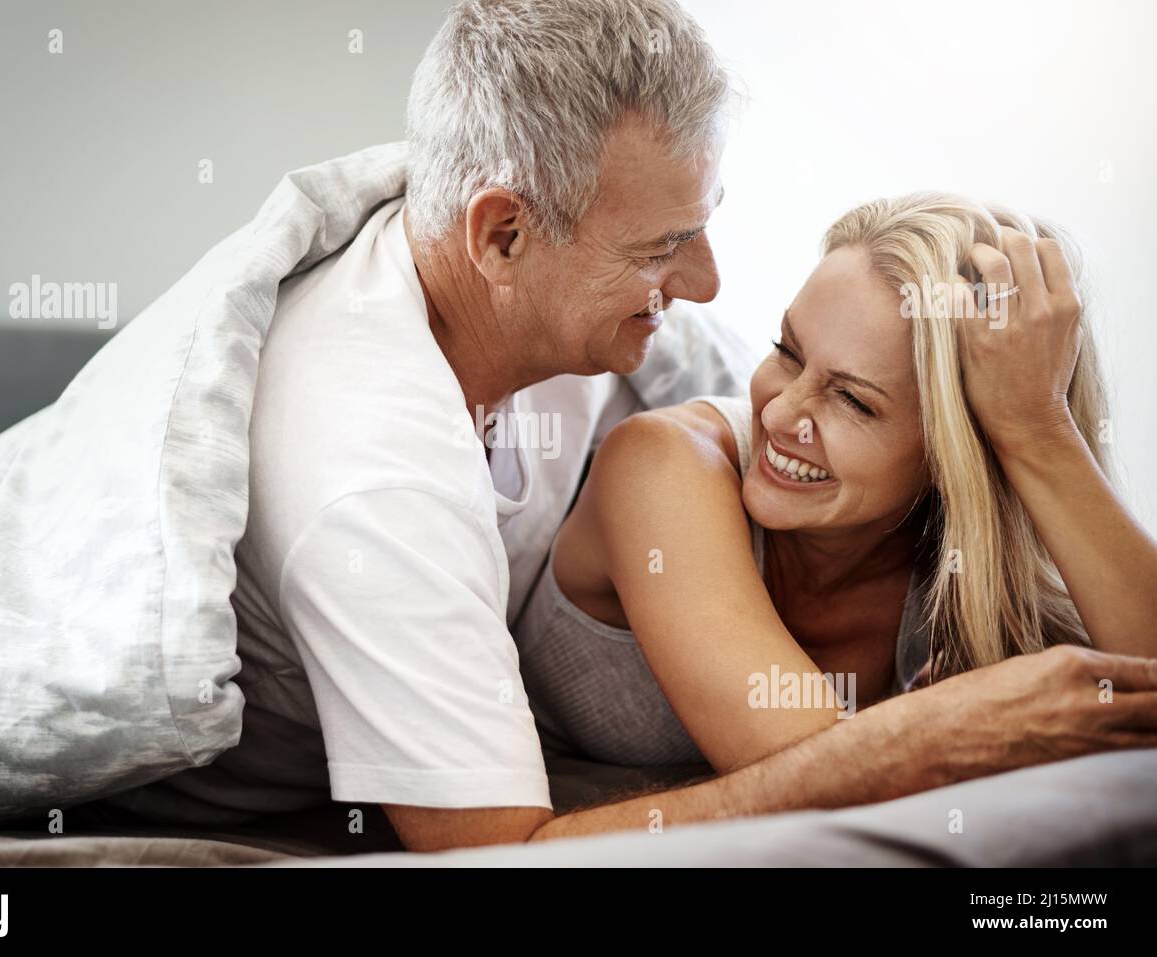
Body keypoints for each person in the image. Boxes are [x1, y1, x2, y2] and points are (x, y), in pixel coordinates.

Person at [103, 0, 1157, 852]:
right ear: (503, 234)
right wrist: (945, 735)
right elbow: (492, 849)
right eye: (666, 245)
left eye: (850, 395)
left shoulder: (613, 329)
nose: (703, 284)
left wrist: (1032, 426)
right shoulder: (372, 478)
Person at [515, 192, 1157, 777]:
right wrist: (947, 722)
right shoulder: (662, 462)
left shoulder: (969, 574)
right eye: (787, 350)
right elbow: (812, 776)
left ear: (958, 453)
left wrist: (1037, 431)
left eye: (852, 400)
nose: (779, 413)